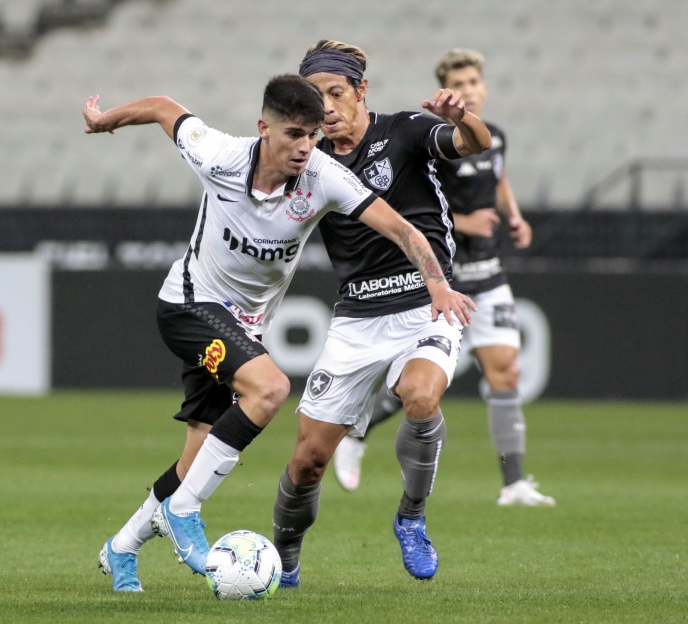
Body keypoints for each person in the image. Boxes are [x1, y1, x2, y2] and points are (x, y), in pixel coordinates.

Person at [82, 74, 475, 592]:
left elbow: (401, 228)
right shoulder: (217, 154)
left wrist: (439, 285)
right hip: (188, 305)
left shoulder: (324, 175)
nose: (306, 147)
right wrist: (104, 121)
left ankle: (122, 547)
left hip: (242, 328)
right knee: (269, 388)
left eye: (313, 135)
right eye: (294, 134)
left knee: (197, 453)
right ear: (263, 128)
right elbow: (161, 107)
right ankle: (184, 511)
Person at [271, 40, 492, 585]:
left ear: (361, 90)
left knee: (420, 397)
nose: (326, 107)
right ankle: (284, 556)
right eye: (315, 97)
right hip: (355, 319)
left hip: (427, 302)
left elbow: (473, 144)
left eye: (336, 93)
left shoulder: (407, 130)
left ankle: (411, 518)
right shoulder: (308, 161)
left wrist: (466, 120)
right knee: (306, 464)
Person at [331, 49, 555, 508]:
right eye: (461, 81)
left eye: (475, 80)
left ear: (484, 86)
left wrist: (514, 215)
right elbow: (411, 197)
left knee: (504, 372)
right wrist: (463, 220)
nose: (470, 88)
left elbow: (498, 175)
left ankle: (512, 484)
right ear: (448, 85)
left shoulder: (496, 137)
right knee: (418, 389)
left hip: (489, 275)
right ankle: (357, 432)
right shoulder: (435, 138)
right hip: (437, 278)